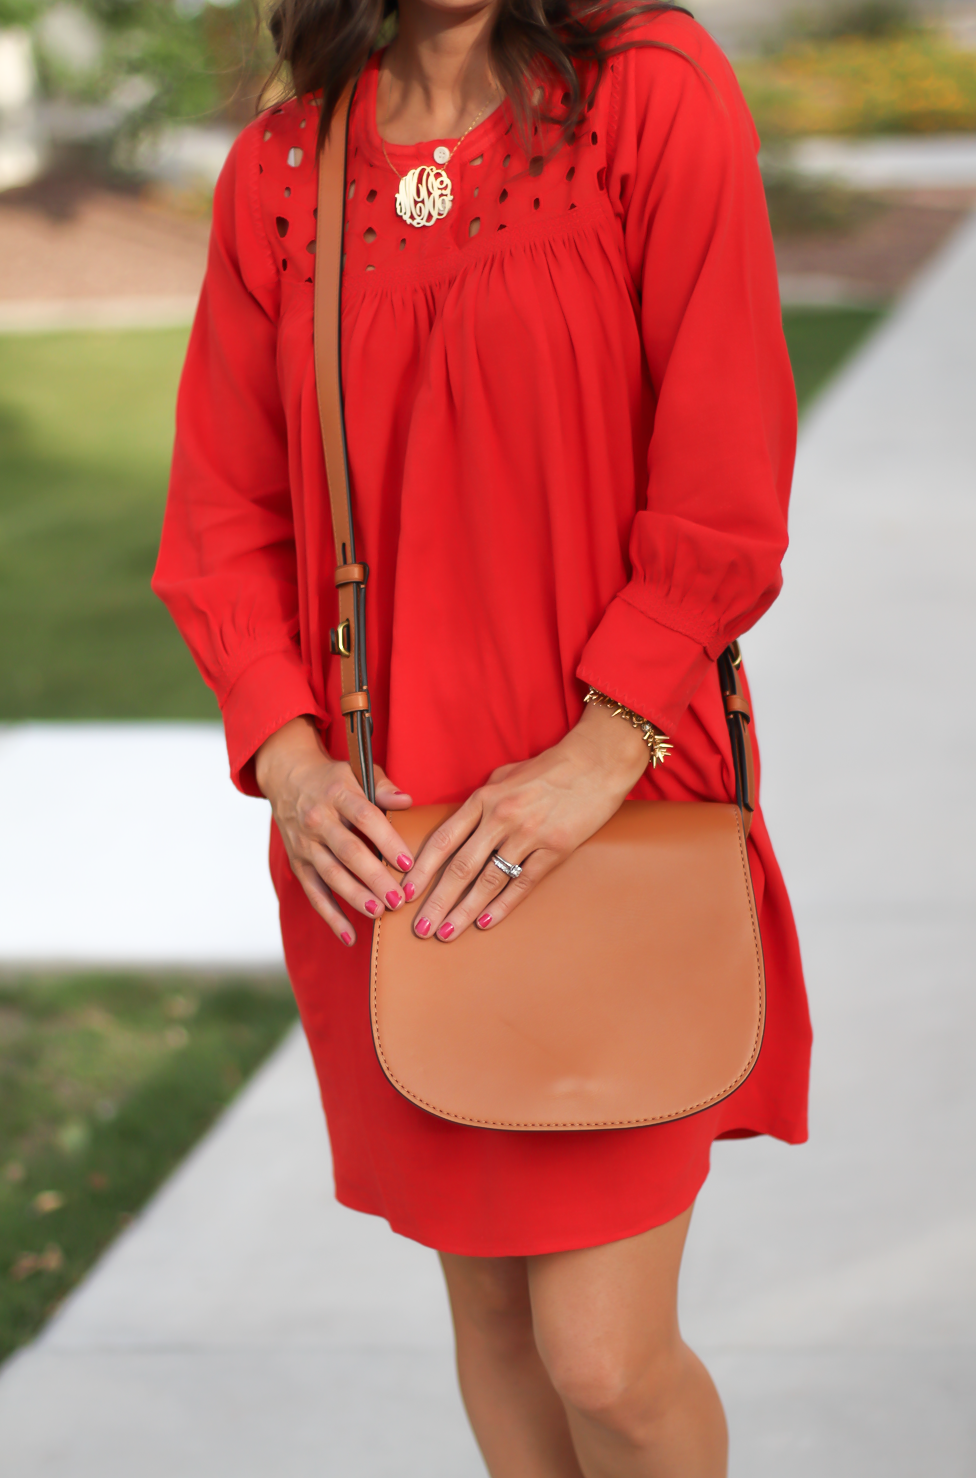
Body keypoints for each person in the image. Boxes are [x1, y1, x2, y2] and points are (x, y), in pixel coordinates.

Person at [154, 0, 812, 1469]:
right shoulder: (286, 167)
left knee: (606, 1357)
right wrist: (286, 751)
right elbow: (222, 508)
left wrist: (600, 751)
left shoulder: (648, 88)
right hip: (395, 841)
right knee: (504, 1342)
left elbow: (726, 462)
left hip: (611, 804)